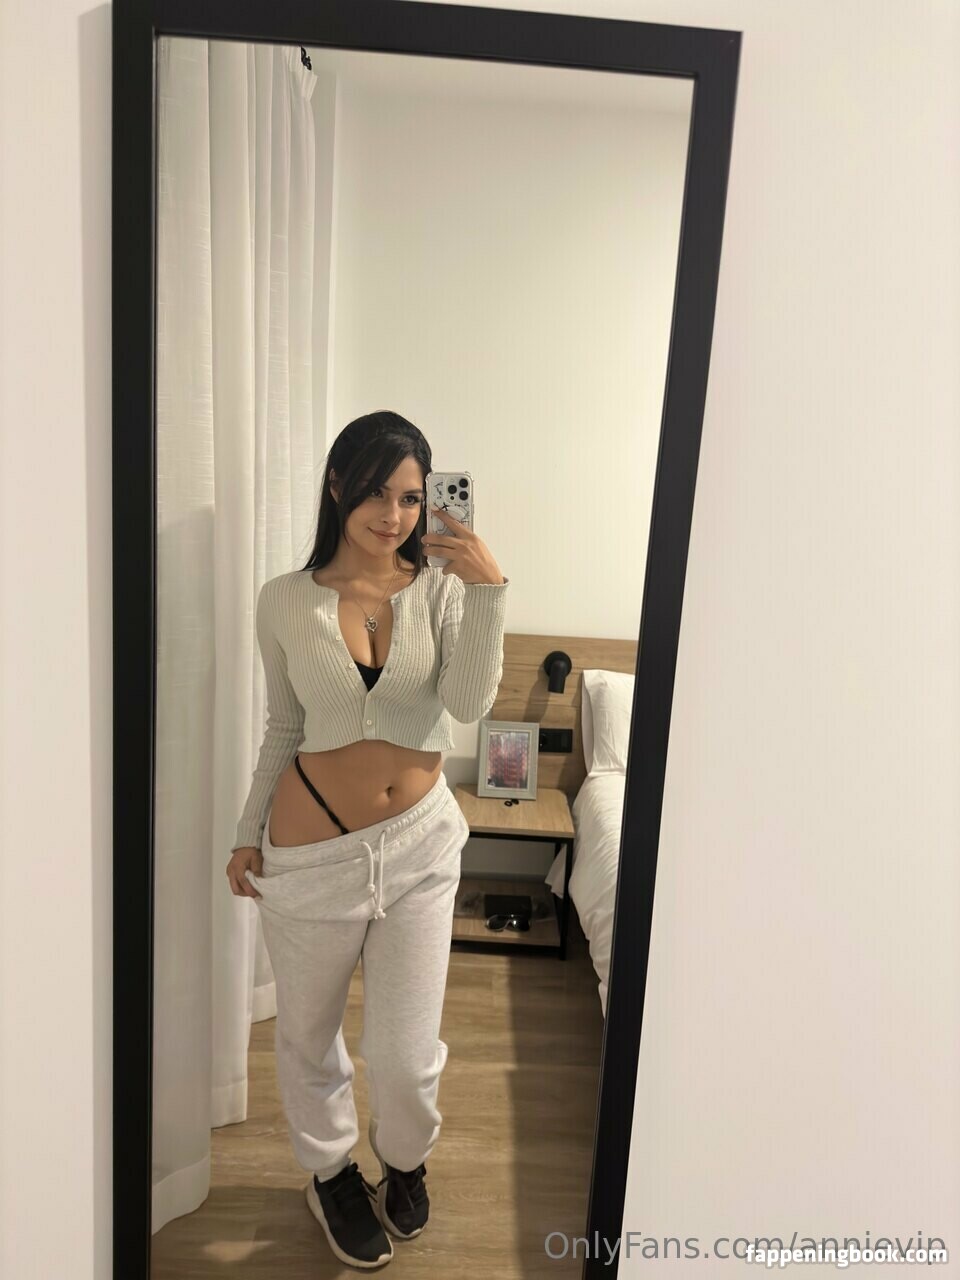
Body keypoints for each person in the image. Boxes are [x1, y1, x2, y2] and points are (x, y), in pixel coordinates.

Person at [225, 410, 509, 1269]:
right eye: (376, 493)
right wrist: (246, 831)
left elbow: (468, 706)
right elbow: (284, 726)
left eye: (411, 498)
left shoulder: (445, 591)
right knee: (308, 1036)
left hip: (421, 848)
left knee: (404, 1054)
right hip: (311, 853)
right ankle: (331, 1175)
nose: (394, 515)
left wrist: (488, 589)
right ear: (337, 486)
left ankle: (406, 1160)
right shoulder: (284, 599)